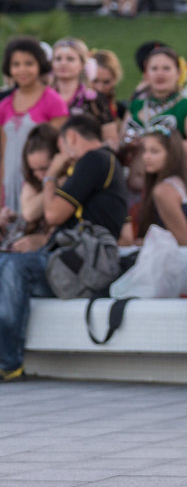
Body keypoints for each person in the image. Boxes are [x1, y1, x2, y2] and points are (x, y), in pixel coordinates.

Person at [0, 114, 127, 383]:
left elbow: (54, 214)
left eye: (59, 147)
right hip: (79, 263)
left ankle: (8, 362)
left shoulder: (94, 159)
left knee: (13, 265)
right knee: (5, 264)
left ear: (70, 138)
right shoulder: (107, 163)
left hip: (87, 266)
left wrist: (49, 177)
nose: (61, 154)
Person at [0, 38, 68, 212]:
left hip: (37, 184)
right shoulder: (5, 105)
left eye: (29, 63)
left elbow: (59, 150)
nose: (22, 69)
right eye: (16, 64)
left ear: (40, 65)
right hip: (9, 185)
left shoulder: (53, 102)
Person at [125, 47, 187, 159]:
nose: (160, 74)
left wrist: (158, 146)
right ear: (146, 74)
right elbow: (121, 140)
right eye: (154, 69)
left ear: (178, 73)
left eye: (166, 68)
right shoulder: (136, 105)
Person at [134, 127, 187, 246]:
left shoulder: (164, 190)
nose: (146, 157)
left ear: (172, 154)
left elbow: (182, 240)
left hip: (180, 259)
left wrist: (145, 242)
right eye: (144, 151)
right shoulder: (182, 182)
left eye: (154, 151)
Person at [0, 124, 59, 252]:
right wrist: (14, 218)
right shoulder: (33, 182)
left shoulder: (71, 181)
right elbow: (29, 213)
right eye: (33, 170)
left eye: (44, 168)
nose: (38, 175)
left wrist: (56, 177)